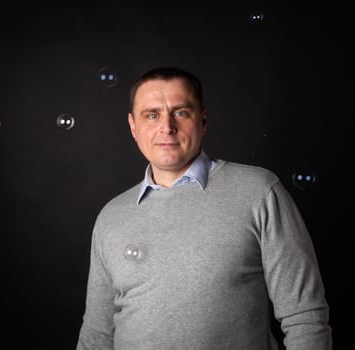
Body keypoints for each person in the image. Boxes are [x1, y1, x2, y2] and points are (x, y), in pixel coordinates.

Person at [76, 66, 332, 349]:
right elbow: (97, 334)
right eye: (152, 115)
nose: (166, 127)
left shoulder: (258, 191)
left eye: (181, 112)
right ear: (133, 127)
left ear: (204, 120)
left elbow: (305, 318)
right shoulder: (112, 216)